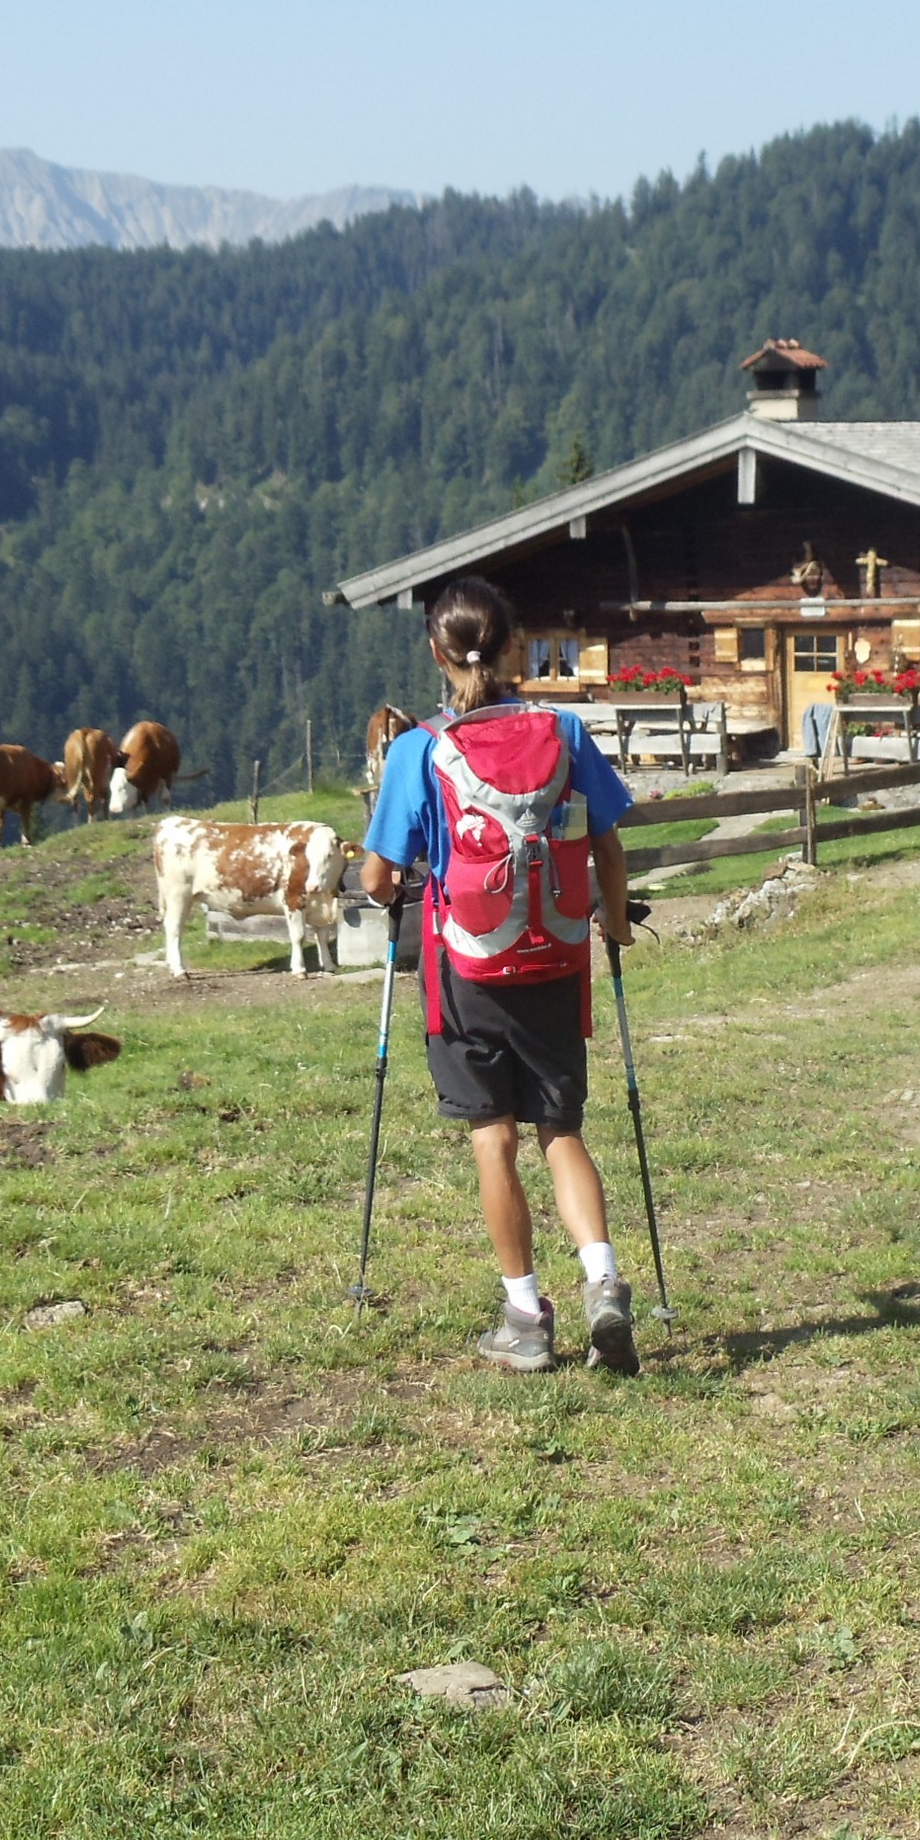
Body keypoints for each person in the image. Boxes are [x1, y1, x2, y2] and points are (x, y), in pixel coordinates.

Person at [359, 576, 641, 1375]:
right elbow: (610, 844)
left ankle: (524, 1315)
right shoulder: (564, 729)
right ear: (516, 643)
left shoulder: (419, 750)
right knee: (562, 1130)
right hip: (554, 959)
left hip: (467, 975)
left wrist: (400, 883)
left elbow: (380, 879)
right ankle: (604, 1281)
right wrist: (613, 922)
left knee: (495, 1138)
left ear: (436, 652)